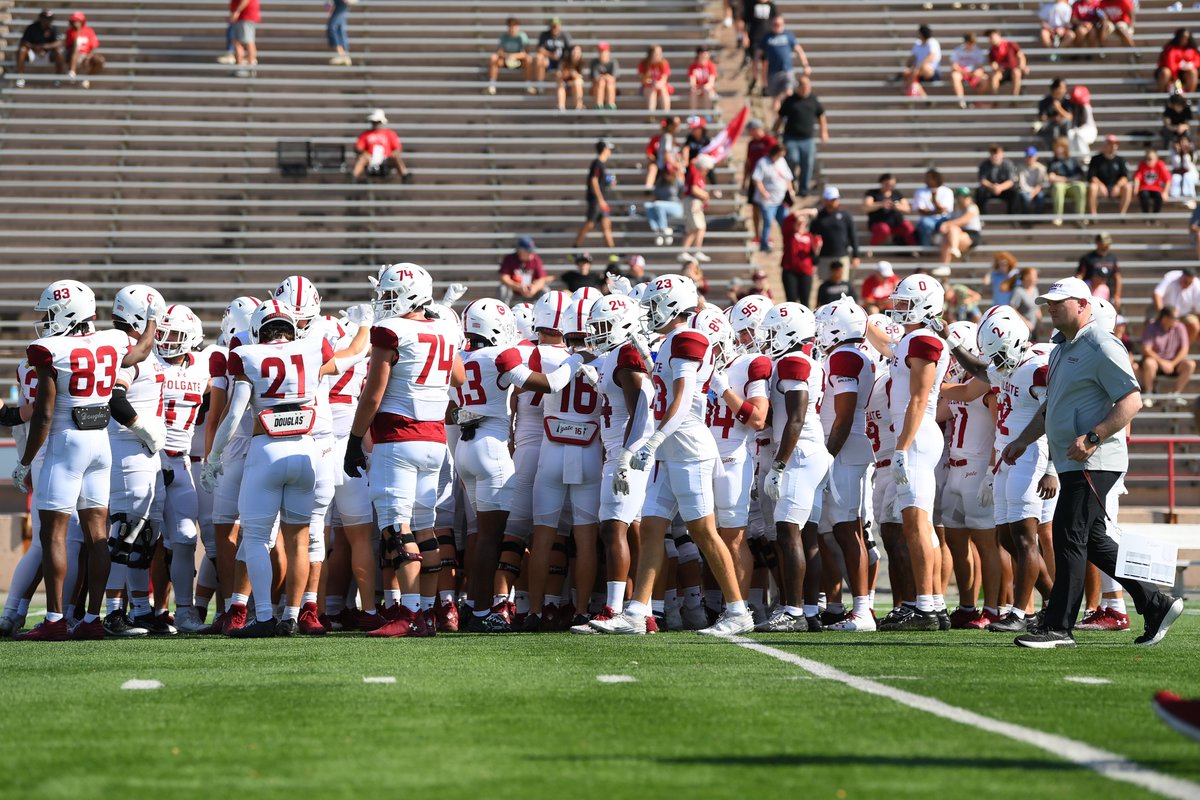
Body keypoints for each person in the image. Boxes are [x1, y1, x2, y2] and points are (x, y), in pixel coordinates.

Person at [1003, 277, 1184, 648]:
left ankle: (1058, 626)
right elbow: (1051, 406)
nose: (1050, 307)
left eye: (1059, 301)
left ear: (1084, 305)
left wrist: (1094, 436)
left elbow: (1131, 400)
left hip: (1094, 458)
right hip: (1075, 461)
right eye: (1048, 302)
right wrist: (1022, 441)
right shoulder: (1058, 349)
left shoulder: (1101, 343)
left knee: (1069, 534)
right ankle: (1157, 604)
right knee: (1094, 539)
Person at [590, 275, 755, 636]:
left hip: (687, 445)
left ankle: (738, 611)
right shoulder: (670, 341)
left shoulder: (687, 338)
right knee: (651, 527)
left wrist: (653, 440)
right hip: (670, 446)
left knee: (703, 532)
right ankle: (636, 612)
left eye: (653, 304)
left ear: (673, 305)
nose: (648, 312)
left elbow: (680, 400)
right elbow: (662, 387)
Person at [12, 281, 158, 641]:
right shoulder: (111, 340)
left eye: (50, 313)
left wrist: (26, 462)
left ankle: (56, 619)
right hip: (100, 444)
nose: (45, 321)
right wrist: (152, 320)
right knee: (97, 535)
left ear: (66, 311)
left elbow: (44, 416)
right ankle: (93, 618)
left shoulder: (50, 350)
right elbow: (140, 351)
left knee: (54, 535)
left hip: (65, 444)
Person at [871, 276, 951, 630]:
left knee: (917, 524)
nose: (898, 308)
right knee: (916, 524)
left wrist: (902, 445)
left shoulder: (923, 339)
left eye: (905, 302)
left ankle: (927, 605)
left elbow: (919, 398)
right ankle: (932, 603)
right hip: (914, 435)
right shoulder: (911, 339)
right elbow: (889, 346)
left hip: (916, 436)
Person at [774, 74, 827, 198]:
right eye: (803, 85)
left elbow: (821, 116)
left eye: (808, 85)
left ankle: (803, 189)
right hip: (791, 137)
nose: (806, 88)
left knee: (807, 163)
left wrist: (824, 132)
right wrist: (775, 131)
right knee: (792, 159)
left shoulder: (813, 100)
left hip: (807, 139)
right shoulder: (790, 100)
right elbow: (781, 117)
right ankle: (791, 184)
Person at [1139, 306, 1195, 405]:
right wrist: (1162, 362)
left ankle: (1175, 394)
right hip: (1156, 363)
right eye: (1175, 318)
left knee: (1190, 364)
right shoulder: (1151, 327)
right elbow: (1146, 349)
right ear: (1165, 318)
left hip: (1174, 363)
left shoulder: (1180, 327)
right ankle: (1149, 394)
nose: (1178, 320)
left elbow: (1184, 349)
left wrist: (1172, 363)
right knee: (1149, 363)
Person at [751, 144, 795, 252]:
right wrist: (764, 192)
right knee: (768, 222)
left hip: (782, 199)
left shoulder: (782, 162)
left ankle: (787, 244)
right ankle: (764, 245)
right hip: (768, 200)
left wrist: (790, 190)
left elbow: (788, 177)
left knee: (785, 223)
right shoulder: (762, 162)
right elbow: (756, 179)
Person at [757, 14, 810, 98]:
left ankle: (787, 107)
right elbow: (758, 53)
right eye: (775, 24)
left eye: (779, 24)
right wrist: (756, 68)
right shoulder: (767, 37)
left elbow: (799, 50)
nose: (777, 26)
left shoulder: (788, 35)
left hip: (787, 70)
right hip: (773, 72)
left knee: (788, 92)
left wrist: (805, 65)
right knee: (774, 97)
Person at [811, 186, 860, 276]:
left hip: (841, 255)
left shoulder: (845, 215)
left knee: (842, 285)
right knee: (826, 284)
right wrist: (813, 257)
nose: (833, 202)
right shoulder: (819, 217)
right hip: (824, 257)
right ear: (825, 200)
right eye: (830, 199)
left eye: (834, 199)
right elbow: (812, 237)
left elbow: (852, 235)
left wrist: (855, 255)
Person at [742, 120, 777, 244]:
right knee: (755, 208)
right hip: (754, 179)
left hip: (767, 180)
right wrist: (744, 181)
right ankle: (757, 235)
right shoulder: (751, 143)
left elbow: (776, 160)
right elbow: (748, 162)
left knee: (768, 208)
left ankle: (767, 235)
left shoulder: (770, 141)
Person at [352, 110, 410, 181]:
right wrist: (364, 152)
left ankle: (404, 175)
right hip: (370, 158)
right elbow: (358, 147)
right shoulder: (365, 134)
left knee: (396, 157)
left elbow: (398, 148)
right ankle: (353, 176)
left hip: (386, 158)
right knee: (362, 158)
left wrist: (393, 154)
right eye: (374, 122)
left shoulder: (390, 133)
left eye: (377, 122)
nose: (375, 124)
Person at [14, 9, 65, 88]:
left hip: (48, 54)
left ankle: (58, 78)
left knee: (59, 51)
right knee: (22, 50)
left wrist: (44, 47)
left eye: (50, 19)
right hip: (33, 53)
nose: (47, 21)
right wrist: (35, 47)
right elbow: (24, 41)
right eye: (45, 18)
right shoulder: (32, 27)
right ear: (40, 18)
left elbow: (59, 42)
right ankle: (20, 77)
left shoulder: (53, 28)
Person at [864, 173, 916, 248]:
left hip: (896, 223)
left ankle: (913, 249)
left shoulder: (897, 194)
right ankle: (871, 248)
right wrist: (881, 204)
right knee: (883, 229)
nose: (890, 186)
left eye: (892, 184)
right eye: (887, 184)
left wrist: (896, 206)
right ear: (882, 182)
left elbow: (907, 209)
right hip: (879, 223)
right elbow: (866, 207)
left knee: (907, 226)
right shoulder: (873, 193)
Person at [780, 205, 820, 305]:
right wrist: (808, 211)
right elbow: (791, 216)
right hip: (790, 270)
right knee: (791, 300)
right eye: (798, 222)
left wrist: (817, 248)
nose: (800, 224)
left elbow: (814, 257)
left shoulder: (810, 236)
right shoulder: (789, 233)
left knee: (805, 301)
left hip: (805, 271)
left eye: (802, 222)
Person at [486, 17, 535, 95]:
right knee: (494, 58)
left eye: (514, 26)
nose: (512, 29)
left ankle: (528, 84)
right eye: (511, 26)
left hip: (519, 61)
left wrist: (514, 56)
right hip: (506, 60)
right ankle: (492, 85)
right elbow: (500, 51)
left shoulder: (522, 36)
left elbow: (526, 53)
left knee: (529, 60)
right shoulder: (504, 36)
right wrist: (507, 56)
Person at [680, 153, 714, 263]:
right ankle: (693, 251)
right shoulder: (695, 173)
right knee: (698, 227)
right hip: (692, 202)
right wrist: (705, 195)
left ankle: (687, 252)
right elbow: (694, 189)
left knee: (696, 228)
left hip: (694, 202)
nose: (707, 171)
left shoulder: (698, 174)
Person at [1087, 135, 1133, 216]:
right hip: (1100, 188)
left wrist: (1118, 186)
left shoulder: (1120, 160)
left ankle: (1122, 214)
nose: (1114, 146)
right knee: (1093, 187)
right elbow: (1092, 176)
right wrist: (1101, 185)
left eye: (1115, 144)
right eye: (1111, 144)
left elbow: (1125, 177)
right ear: (1105, 145)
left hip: (1115, 188)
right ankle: (1093, 216)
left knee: (1128, 187)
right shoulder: (1096, 159)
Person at [1046, 136, 1087, 224]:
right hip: (1060, 185)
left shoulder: (1073, 160)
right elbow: (1051, 177)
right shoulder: (1052, 161)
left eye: (1060, 146)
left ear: (1065, 148)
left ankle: (1080, 217)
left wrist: (1062, 179)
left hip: (1072, 185)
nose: (1058, 149)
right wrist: (1067, 179)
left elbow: (1080, 176)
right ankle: (1058, 217)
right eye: (1056, 146)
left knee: (1081, 186)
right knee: (1058, 187)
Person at [1153, 268, 1200, 342]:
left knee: (1195, 325)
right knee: (1151, 324)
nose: (1187, 284)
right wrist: (1162, 315)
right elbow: (1157, 295)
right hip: (1165, 312)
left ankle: (1184, 347)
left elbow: (1199, 311)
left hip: (1184, 314)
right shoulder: (1171, 277)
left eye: (1189, 283)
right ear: (1182, 277)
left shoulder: (1197, 285)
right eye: (1185, 281)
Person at [939, 187, 982, 266]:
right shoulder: (956, 210)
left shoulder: (972, 208)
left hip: (971, 236)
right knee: (947, 237)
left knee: (953, 229)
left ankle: (954, 249)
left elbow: (963, 221)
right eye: (961, 197)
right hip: (958, 234)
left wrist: (946, 224)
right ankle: (945, 265)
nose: (963, 200)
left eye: (965, 197)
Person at [1076, 231, 1121, 306]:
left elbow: (1117, 277)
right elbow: (1080, 275)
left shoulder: (1112, 258)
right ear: (1098, 243)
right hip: (1090, 291)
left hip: (1107, 292)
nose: (1107, 246)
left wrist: (1117, 295)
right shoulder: (1088, 258)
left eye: (1108, 243)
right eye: (1104, 243)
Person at [913, 168, 955, 250]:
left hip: (943, 219)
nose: (925, 180)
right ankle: (926, 249)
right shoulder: (920, 191)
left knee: (947, 226)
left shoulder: (947, 191)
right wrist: (937, 210)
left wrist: (935, 201)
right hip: (927, 220)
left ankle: (945, 249)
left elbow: (945, 210)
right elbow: (921, 210)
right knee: (925, 224)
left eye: (928, 178)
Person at [499, 237, 548, 303]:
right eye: (528, 251)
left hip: (531, 290)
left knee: (545, 290)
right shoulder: (510, 259)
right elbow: (504, 277)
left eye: (532, 251)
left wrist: (534, 288)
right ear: (520, 251)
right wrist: (518, 287)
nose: (531, 253)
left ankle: (545, 312)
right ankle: (503, 311)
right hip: (514, 291)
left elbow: (542, 279)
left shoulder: (535, 259)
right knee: (503, 289)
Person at [975, 144, 1019, 215]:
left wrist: (1000, 187)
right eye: (993, 154)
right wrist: (992, 187)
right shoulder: (984, 164)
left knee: (1015, 193)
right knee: (980, 192)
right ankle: (982, 216)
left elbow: (1011, 181)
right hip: (989, 189)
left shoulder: (1008, 164)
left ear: (1002, 154)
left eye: (997, 154)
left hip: (1004, 189)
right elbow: (982, 180)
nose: (995, 156)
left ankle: (1012, 217)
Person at [949, 32, 988, 109]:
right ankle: (961, 100)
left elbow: (981, 67)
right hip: (962, 72)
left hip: (973, 73)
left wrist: (978, 72)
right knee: (955, 76)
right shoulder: (958, 50)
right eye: (970, 43)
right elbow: (954, 66)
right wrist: (965, 72)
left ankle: (976, 101)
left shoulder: (978, 51)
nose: (972, 45)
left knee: (985, 79)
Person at [64, 12, 103, 87]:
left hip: (86, 55)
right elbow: (70, 46)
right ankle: (72, 72)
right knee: (75, 49)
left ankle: (87, 78)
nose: (75, 23)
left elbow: (94, 46)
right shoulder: (70, 32)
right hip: (73, 55)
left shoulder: (89, 31)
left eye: (77, 21)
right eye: (74, 21)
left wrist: (88, 56)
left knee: (100, 60)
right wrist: (77, 31)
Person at [901, 24, 942, 97]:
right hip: (918, 72)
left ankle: (909, 91)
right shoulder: (917, 43)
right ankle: (924, 96)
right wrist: (909, 67)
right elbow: (912, 57)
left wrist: (918, 67)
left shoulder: (932, 42)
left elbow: (932, 57)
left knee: (921, 69)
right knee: (907, 73)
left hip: (931, 72)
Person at [535, 17, 571, 93]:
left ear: (559, 26)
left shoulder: (564, 36)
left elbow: (569, 50)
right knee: (539, 57)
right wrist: (550, 55)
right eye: (553, 26)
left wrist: (562, 60)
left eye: (556, 26)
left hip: (561, 61)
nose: (555, 28)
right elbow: (540, 49)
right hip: (548, 61)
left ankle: (567, 85)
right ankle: (540, 84)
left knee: (568, 61)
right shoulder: (545, 35)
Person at [1156, 29, 1199, 94]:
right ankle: (1161, 94)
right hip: (1172, 73)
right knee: (1165, 72)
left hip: (1185, 73)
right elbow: (1170, 63)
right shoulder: (1170, 48)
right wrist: (1180, 66)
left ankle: (1190, 96)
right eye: (1182, 38)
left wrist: (1191, 65)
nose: (1184, 40)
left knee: (1193, 72)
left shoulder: (1192, 49)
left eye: (1186, 38)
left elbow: (1197, 61)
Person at [986, 29, 1027, 96]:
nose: (991, 40)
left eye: (992, 37)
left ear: (998, 35)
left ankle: (1014, 96)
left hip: (1013, 68)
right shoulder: (992, 50)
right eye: (990, 38)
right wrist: (995, 67)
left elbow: (1021, 56)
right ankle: (995, 100)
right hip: (1002, 71)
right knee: (994, 77)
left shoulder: (1010, 44)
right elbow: (992, 63)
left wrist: (1023, 65)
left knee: (1016, 73)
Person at [1133, 148, 1171, 216]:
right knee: (1144, 195)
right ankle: (1146, 215)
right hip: (1144, 188)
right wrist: (1135, 190)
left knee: (1159, 197)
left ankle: (1155, 216)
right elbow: (1137, 178)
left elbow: (1168, 179)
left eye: (1151, 159)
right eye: (1147, 159)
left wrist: (1165, 192)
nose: (1149, 161)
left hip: (1156, 189)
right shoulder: (1142, 165)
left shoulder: (1160, 165)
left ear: (1156, 159)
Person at [1037, 79, 1074, 146]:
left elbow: (1070, 117)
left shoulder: (1067, 101)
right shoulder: (1045, 101)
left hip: (1063, 127)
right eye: (1062, 88)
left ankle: (1065, 146)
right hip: (1049, 126)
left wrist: (1059, 109)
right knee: (1054, 130)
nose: (1064, 90)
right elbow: (1042, 118)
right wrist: (1054, 118)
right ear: (1055, 88)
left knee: (1066, 122)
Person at [638, 45, 673, 113]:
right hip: (648, 87)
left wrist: (657, 84)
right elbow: (643, 80)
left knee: (663, 89)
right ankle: (651, 114)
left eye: (660, 53)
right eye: (657, 53)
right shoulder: (644, 64)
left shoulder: (664, 63)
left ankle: (666, 114)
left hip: (660, 87)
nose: (659, 55)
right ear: (651, 54)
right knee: (652, 90)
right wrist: (652, 83)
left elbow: (664, 79)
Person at [229, 0, 260, 74]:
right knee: (238, 42)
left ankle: (249, 67)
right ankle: (242, 67)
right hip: (243, 17)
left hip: (245, 16)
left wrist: (237, 11)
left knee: (247, 42)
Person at [1010, 267, 1042, 333]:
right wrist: (1025, 322)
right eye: (1035, 276)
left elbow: (1036, 308)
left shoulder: (1035, 289)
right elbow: (1012, 309)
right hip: (1022, 330)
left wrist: (1040, 323)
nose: (1037, 279)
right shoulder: (1018, 291)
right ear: (1026, 277)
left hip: (1033, 329)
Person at [1018, 146, 1048, 215]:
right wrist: (1028, 192)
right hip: (1024, 190)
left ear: (1036, 157)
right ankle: (1026, 219)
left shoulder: (1041, 168)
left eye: (1031, 156)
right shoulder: (1020, 168)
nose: (1030, 158)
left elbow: (1042, 184)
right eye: (1028, 156)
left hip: (1037, 190)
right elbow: (1020, 184)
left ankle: (1038, 218)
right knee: (1025, 198)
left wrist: (1034, 192)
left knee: (1040, 197)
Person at [555, 44, 586, 112]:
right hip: (565, 85)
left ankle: (579, 106)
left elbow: (581, 77)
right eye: (574, 51)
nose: (576, 54)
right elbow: (558, 75)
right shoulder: (564, 61)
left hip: (575, 86)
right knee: (561, 84)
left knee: (577, 82)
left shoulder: (582, 62)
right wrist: (565, 74)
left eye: (578, 52)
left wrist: (574, 74)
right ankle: (561, 107)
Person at [589, 41, 619, 110]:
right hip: (597, 88)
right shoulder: (594, 62)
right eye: (600, 51)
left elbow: (613, 78)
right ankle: (599, 105)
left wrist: (604, 77)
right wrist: (605, 77)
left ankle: (610, 104)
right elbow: (595, 79)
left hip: (610, 87)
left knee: (609, 83)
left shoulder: (613, 62)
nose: (602, 53)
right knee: (601, 82)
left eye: (603, 51)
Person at [326, 0, 352, 66]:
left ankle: (342, 54)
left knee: (332, 27)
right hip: (339, 4)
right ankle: (344, 55)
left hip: (341, 3)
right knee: (339, 28)